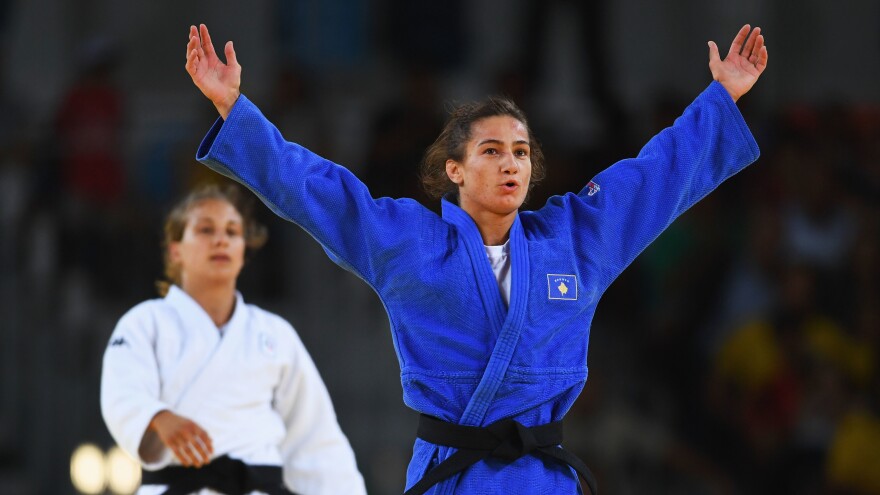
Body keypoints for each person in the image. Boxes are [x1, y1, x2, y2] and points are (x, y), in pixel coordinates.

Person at [184, 21, 768, 494]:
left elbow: (653, 179)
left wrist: (722, 99)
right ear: (455, 170)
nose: (511, 162)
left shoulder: (574, 241)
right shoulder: (410, 245)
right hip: (452, 476)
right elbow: (319, 191)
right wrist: (235, 109)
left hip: (542, 480)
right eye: (491, 151)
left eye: (521, 152)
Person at [100, 183, 367, 495]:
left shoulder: (274, 334)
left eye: (232, 232)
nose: (221, 240)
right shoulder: (144, 323)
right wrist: (156, 416)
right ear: (175, 250)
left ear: (243, 251)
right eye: (205, 230)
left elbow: (314, 436)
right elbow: (122, 391)